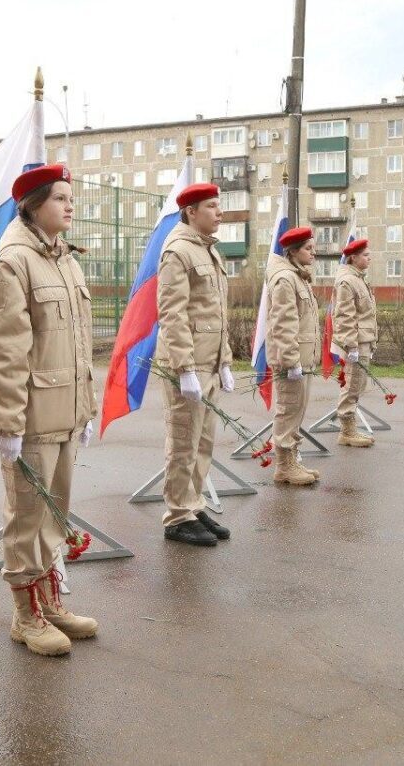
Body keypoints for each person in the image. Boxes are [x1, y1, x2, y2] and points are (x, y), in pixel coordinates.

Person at [0, 164, 98, 657]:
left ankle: (49, 604)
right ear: (32, 205)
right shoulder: (15, 262)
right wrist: (6, 423)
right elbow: (4, 350)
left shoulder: (65, 261)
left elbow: (79, 345)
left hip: (64, 414)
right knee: (28, 516)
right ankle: (24, 615)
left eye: (71, 198)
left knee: (55, 512)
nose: (70, 207)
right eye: (60, 199)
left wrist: (84, 410)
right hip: (31, 418)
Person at [155, 182, 233, 546]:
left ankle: (193, 503)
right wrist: (184, 368)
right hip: (189, 364)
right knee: (184, 441)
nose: (220, 213)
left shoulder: (207, 251)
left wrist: (226, 361)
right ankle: (177, 515)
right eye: (212, 206)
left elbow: (217, 313)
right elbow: (173, 314)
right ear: (191, 211)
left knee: (204, 441)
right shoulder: (179, 251)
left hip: (209, 363)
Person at [265, 226, 321, 485]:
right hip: (291, 360)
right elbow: (283, 323)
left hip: (301, 358)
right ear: (293, 251)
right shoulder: (285, 279)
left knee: (297, 409)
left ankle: (292, 460)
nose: (314, 252)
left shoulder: (298, 277)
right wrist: (290, 360)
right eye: (308, 248)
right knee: (288, 409)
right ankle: (284, 466)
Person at [331, 238, 378, 448]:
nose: (369, 258)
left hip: (364, 340)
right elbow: (344, 316)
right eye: (366, 255)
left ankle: (350, 428)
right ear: (353, 257)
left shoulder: (359, 279)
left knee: (358, 385)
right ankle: (347, 431)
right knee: (351, 385)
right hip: (355, 343)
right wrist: (351, 346)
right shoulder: (347, 281)